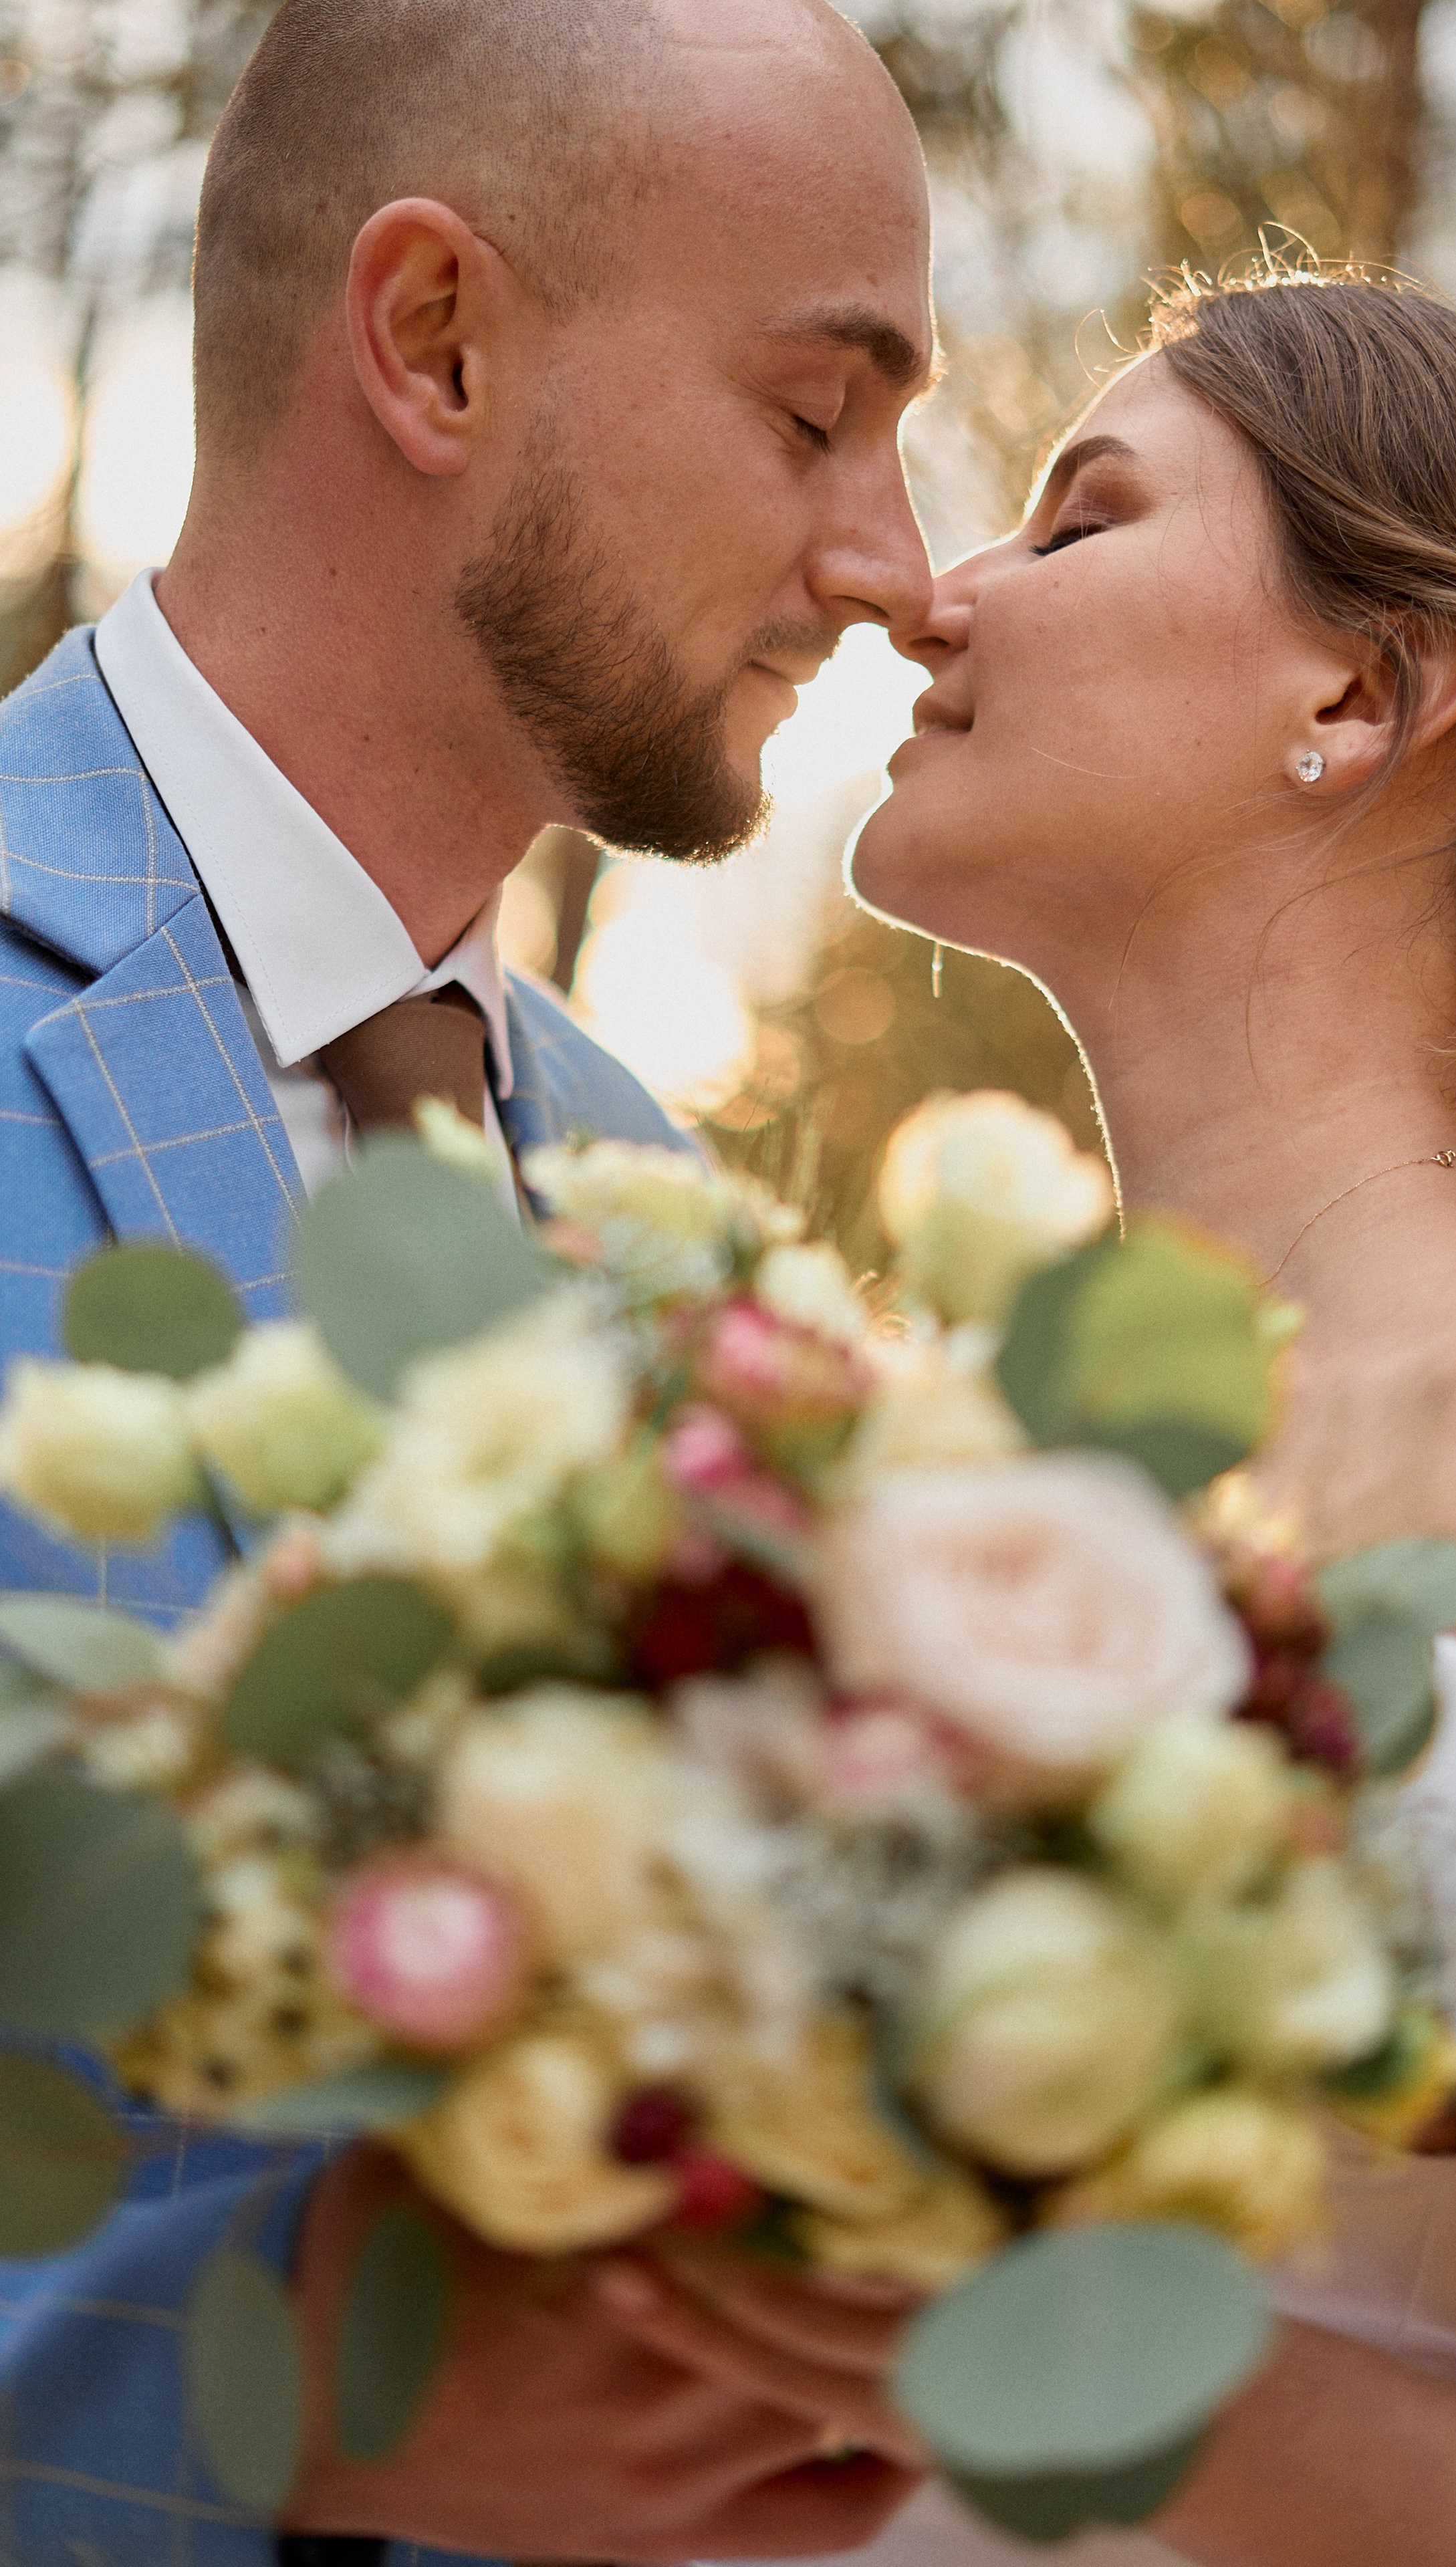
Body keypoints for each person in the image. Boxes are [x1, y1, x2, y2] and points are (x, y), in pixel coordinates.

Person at [0, 0, 938, 2556]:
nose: (894, 567)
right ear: (433, 342)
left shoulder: (656, 1211)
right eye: (816, 413)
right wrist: (264, 2410)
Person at [840, 269, 1456, 2564]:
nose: (934, 594)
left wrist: (956, 2344)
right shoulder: (983, 1424)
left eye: (1080, 520)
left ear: (1359, 692)